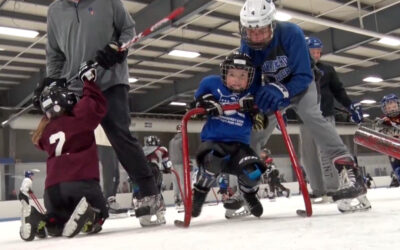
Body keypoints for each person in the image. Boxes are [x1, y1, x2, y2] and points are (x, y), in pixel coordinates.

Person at [32, 0, 162, 225]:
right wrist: (53, 82)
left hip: (110, 80)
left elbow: (128, 30)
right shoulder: (55, 10)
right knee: (69, 139)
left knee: (119, 136)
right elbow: (54, 54)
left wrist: (117, 49)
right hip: (75, 86)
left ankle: (149, 192)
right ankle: (68, 197)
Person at [240, 0, 369, 213]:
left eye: (261, 31)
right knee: (254, 131)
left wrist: (281, 91)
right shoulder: (248, 44)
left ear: (272, 24)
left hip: (300, 84)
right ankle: (247, 189)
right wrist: (254, 101)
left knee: (312, 116)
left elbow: (303, 74)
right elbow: (251, 79)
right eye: (251, 32)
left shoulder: (292, 33)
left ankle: (348, 172)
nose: (256, 37)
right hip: (273, 88)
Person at [20, 62, 108, 241]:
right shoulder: (78, 117)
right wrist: (88, 81)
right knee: (101, 215)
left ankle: (39, 218)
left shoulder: (46, 131)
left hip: (52, 189)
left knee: (56, 224)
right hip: (81, 181)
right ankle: (87, 214)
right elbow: (96, 103)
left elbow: (42, 136)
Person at [190, 51, 266, 219]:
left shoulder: (252, 93)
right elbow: (195, 104)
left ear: (250, 78)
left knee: (254, 173)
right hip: (214, 142)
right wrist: (207, 103)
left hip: (240, 147)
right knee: (214, 159)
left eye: (242, 76)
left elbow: (262, 123)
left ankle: (248, 194)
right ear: (224, 73)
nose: (237, 80)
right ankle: (200, 193)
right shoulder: (211, 84)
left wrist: (256, 112)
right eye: (232, 74)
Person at [300, 36, 363, 204]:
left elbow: (338, 91)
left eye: (318, 52)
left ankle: (332, 187)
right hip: (305, 118)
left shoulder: (326, 70)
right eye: (312, 52)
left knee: (327, 152)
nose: (316, 55)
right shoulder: (297, 71)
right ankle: (317, 188)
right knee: (308, 155)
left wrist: (350, 106)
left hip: (324, 116)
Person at [136, 135, 172, 225]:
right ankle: (160, 215)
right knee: (156, 193)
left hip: (140, 171)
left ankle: (144, 217)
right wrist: (168, 169)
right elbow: (166, 164)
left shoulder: (141, 150)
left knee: (144, 194)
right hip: (154, 170)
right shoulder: (162, 149)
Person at [95, 125, 122, 214]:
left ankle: (111, 200)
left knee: (116, 176)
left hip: (113, 142)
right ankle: (108, 201)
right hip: (103, 142)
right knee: (109, 173)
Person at [374, 94, 400, 182]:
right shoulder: (384, 122)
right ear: (385, 109)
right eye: (389, 108)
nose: (392, 109)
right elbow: (378, 135)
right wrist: (383, 128)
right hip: (394, 152)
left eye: (394, 106)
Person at [168, 124, 184, 209]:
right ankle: (183, 199)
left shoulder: (171, 141)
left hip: (173, 164)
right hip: (181, 163)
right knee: (183, 182)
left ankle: (176, 198)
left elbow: (170, 153)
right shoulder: (183, 140)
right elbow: (185, 152)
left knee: (175, 182)